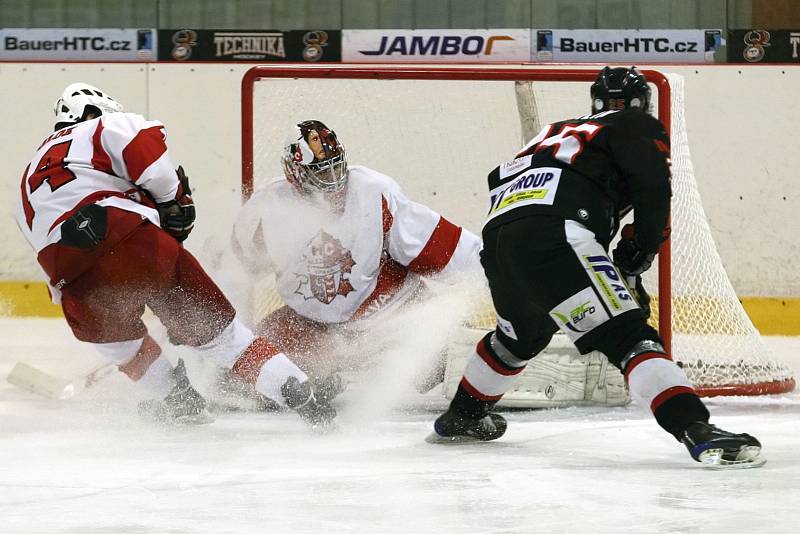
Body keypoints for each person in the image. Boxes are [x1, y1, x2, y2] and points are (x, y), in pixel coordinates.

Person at [426, 67, 765, 469]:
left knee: (518, 338)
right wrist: (640, 251)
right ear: (643, 103)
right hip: (556, 233)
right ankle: (696, 428)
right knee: (629, 336)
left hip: (500, 239)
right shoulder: (637, 124)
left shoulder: (554, 131)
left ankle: (463, 415)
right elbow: (654, 191)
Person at [232, 120, 629, 408]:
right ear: (295, 173)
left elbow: (448, 250)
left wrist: (522, 274)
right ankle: (320, 376)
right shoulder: (266, 211)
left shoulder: (374, 193)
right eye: (322, 172)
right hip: (312, 326)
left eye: (338, 166)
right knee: (239, 381)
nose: (335, 180)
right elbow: (241, 269)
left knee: (456, 365)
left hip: (391, 318)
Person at [15, 83, 335, 426]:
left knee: (124, 349)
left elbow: (49, 256)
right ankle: (301, 392)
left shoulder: (26, 179)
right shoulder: (104, 126)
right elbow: (151, 162)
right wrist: (170, 201)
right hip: (131, 241)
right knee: (225, 340)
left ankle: (177, 399)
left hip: (72, 280)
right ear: (95, 111)